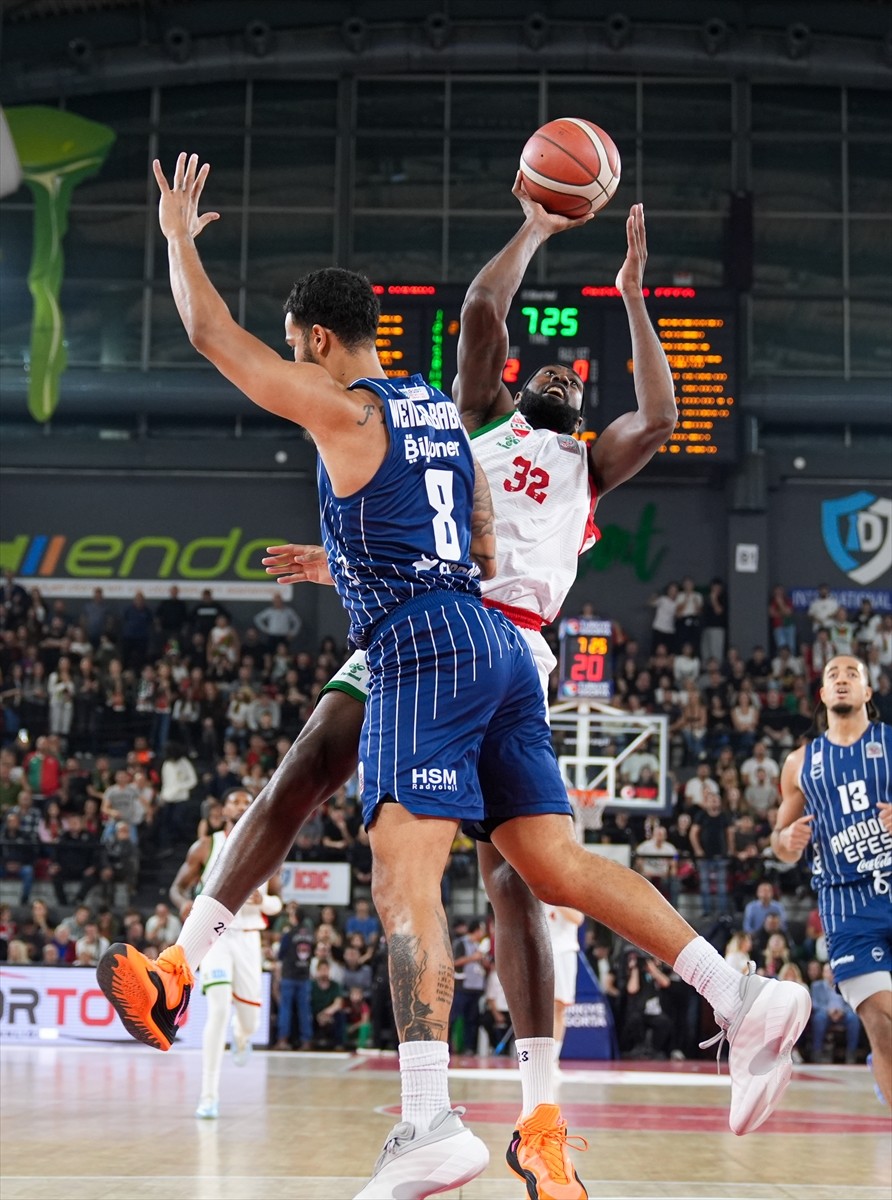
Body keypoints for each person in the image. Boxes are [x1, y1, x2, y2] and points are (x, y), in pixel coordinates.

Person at [99, 154, 808, 1198]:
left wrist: (173, 238)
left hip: (441, 638)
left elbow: (214, 338)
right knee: (515, 850)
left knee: (418, 873)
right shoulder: (453, 412)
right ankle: (736, 991)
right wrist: (354, 559)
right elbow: (474, 499)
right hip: (475, 630)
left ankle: (447, 1116)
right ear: (515, 383)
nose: (563, 377)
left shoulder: (507, 444)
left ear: (318, 342)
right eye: (549, 370)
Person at [774, 654, 892, 1105]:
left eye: (852, 674)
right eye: (832, 676)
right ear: (822, 695)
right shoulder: (800, 763)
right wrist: (788, 839)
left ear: (867, 692)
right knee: (881, 1018)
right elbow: (778, 843)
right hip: (847, 903)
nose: (842, 680)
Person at [167, 787, 282, 1117]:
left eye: (247, 801)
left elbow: (278, 903)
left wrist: (266, 902)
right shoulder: (206, 845)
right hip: (215, 936)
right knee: (217, 1009)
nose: (241, 805)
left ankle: (242, 1037)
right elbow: (176, 888)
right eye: (235, 801)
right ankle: (208, 1094)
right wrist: (183, 904)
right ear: (224, 809)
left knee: (249, 1021)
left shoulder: (270, 844)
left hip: (248, 938)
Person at [544, 903, 584, 1065]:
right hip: (541, 949)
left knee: (558, 1007)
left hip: (563, 952)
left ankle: (553, 1060)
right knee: (540, 1008)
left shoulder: (567, 891)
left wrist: (553, 897)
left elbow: (577, 918)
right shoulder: (535, 885)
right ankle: (537, 1058)